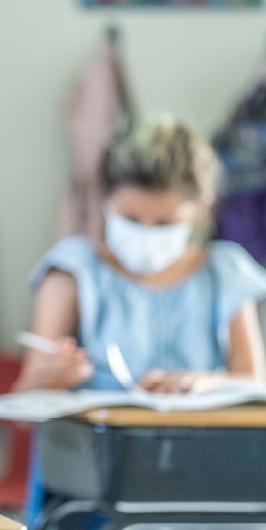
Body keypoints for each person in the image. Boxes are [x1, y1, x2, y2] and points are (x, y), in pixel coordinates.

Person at [14, 114, 266, 394]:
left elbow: (254, 384)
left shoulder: (226, 273)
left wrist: (210, 383)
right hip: (91, 440)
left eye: (165, 224)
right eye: (131, 219)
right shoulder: (72, 272)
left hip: (203, 438)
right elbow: (24, 404)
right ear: (106, 201)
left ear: (201, 209)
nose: (146, 235)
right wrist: (49, 379)